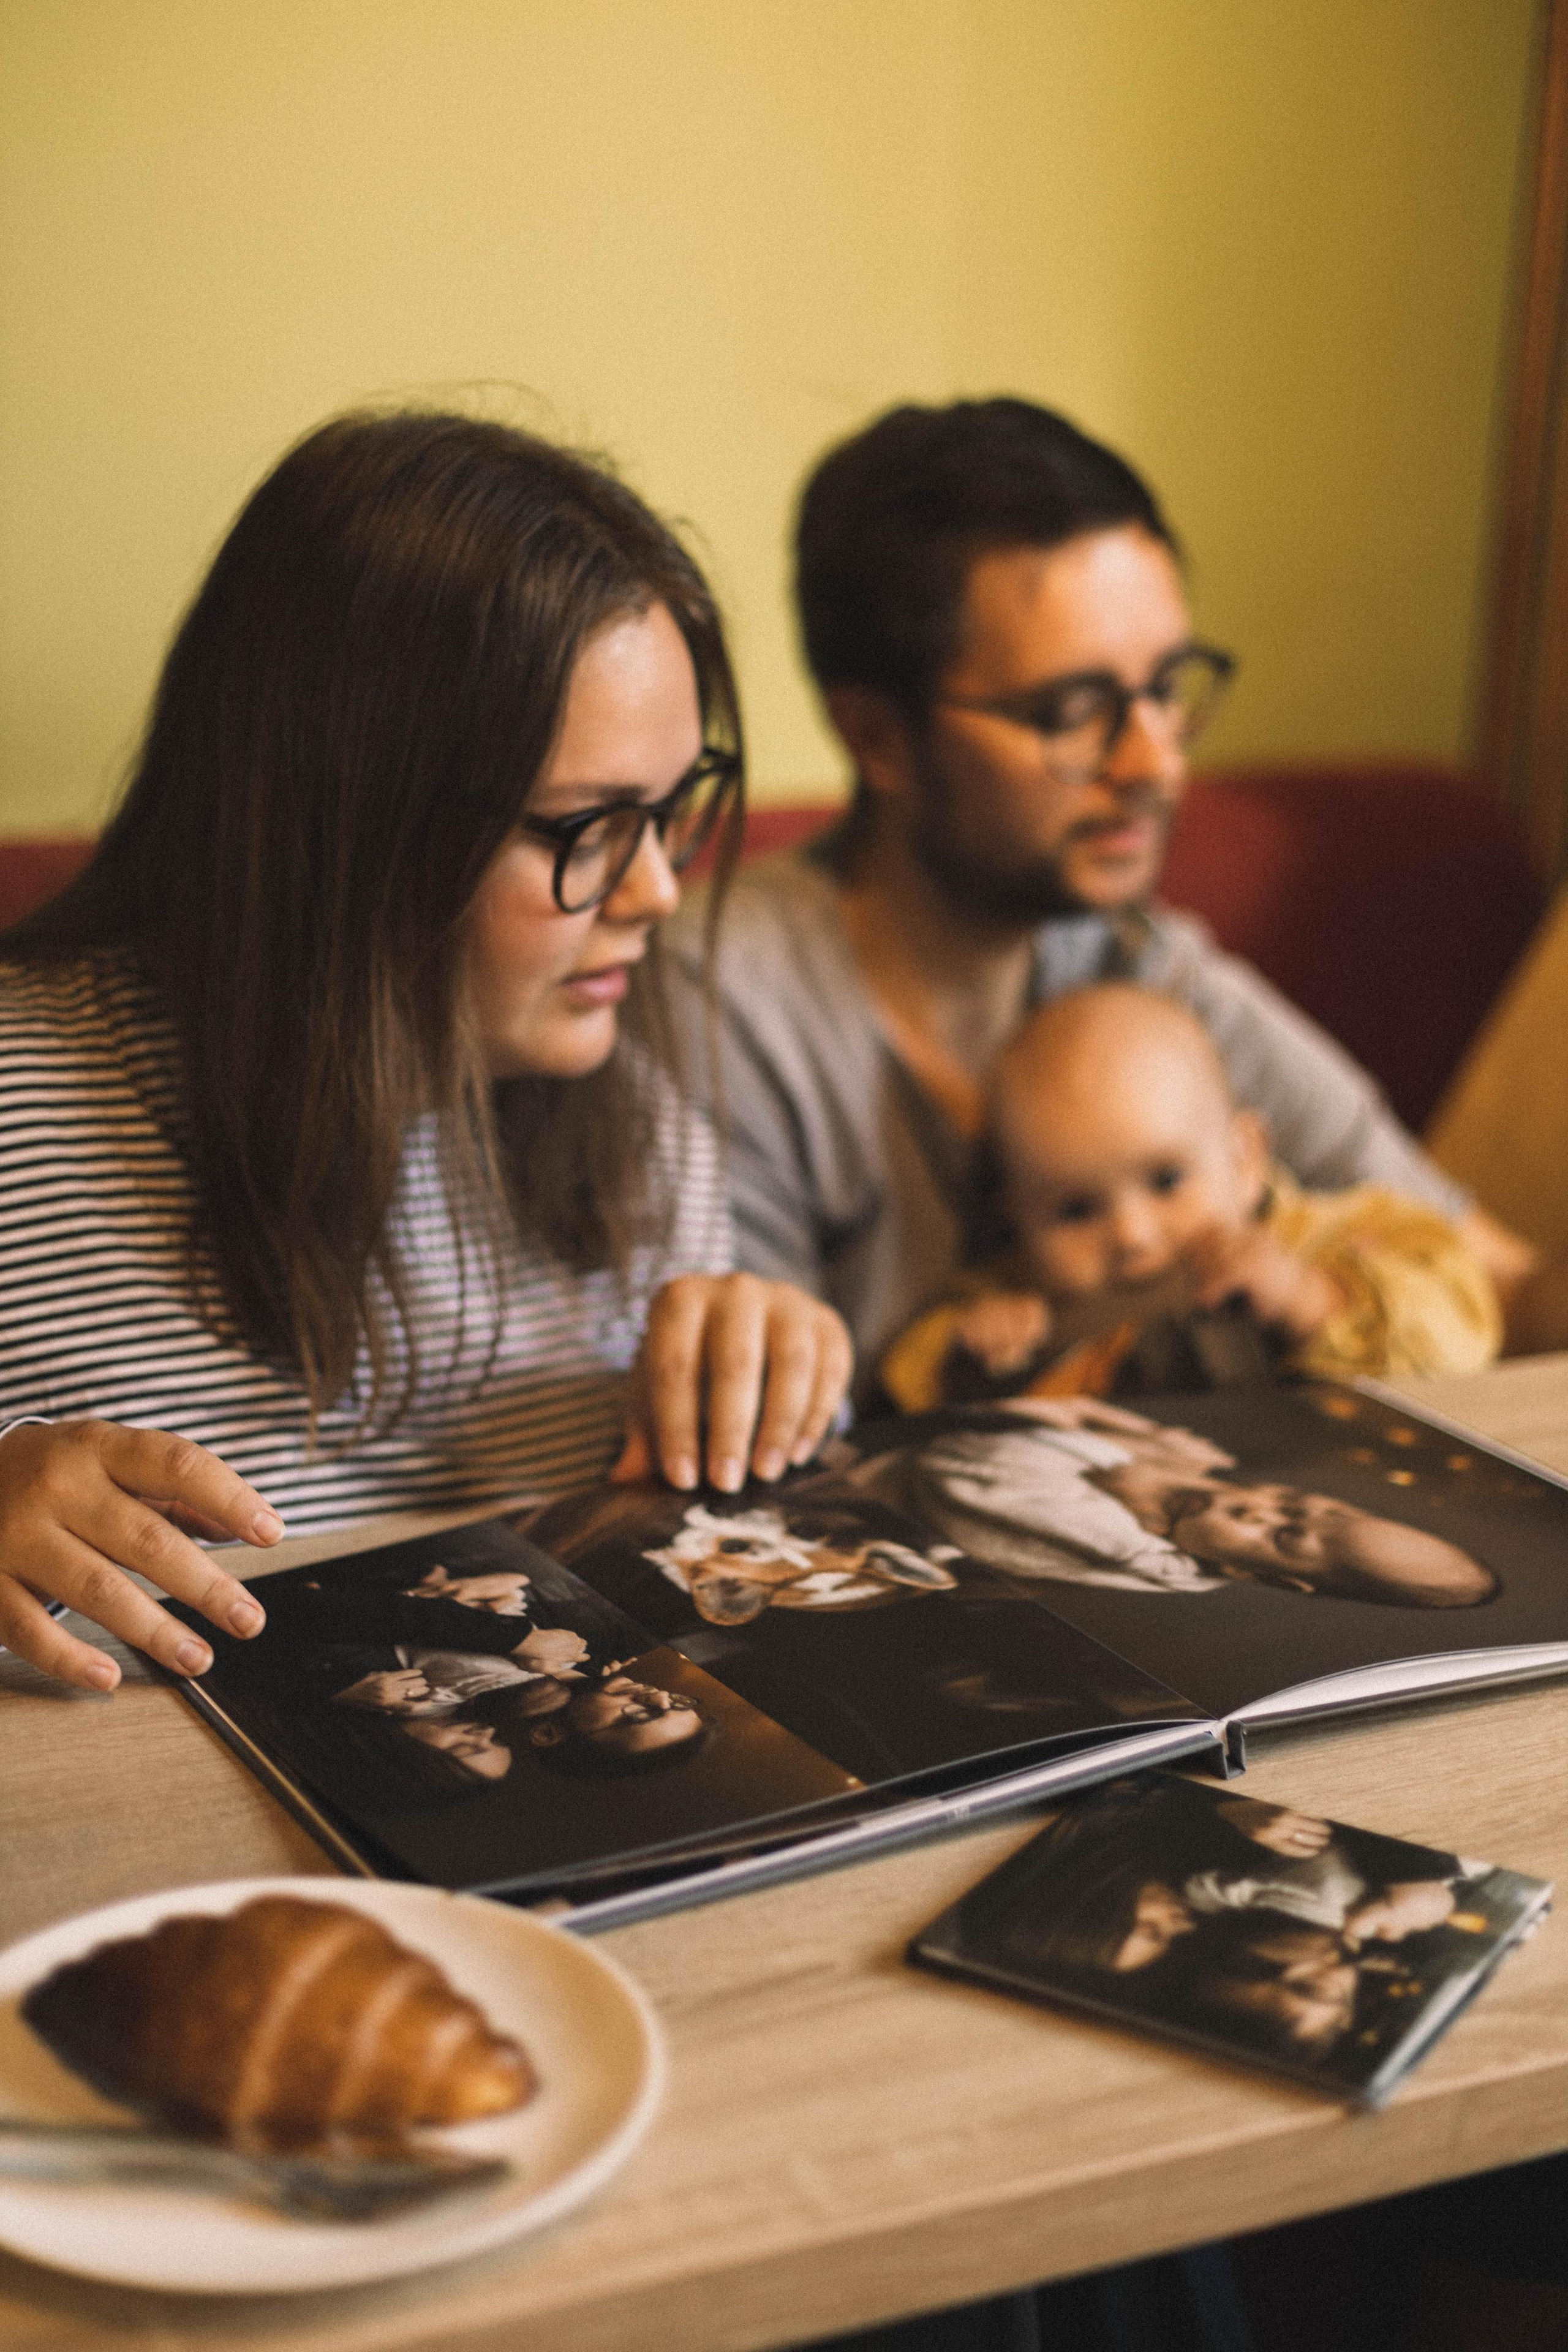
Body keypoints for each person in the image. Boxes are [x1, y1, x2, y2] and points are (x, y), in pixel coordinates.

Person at [0, 410, 852, 1696]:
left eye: (671, 812)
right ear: (341, 825)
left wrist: (779, 1392)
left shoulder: (633, 1117)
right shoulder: (28, 1101)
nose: (659, 890)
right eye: (585, 826)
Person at [668, 397, 1544, 1384]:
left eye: (1168, 686)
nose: (1155, 762)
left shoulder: (1139, 962)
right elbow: (733, 1446)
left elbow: (1499, 1280)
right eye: (1074, 713)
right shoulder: (720, 1006)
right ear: (878, 737)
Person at [879, 984, 1502, 1410]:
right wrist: (966, 1355)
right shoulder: (1026, 1295)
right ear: (1013, 1218)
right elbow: (905, 1384)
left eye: (1166, 1181)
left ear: (1244, 1158)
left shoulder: (1325, 1238)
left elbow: (1464, 1331)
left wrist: (1313, 1301)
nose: (1132, 1235)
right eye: (1074, 1210)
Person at [845, 1400, 1498, 1605]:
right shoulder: (1199, 1481)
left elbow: (959, 1470)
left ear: (1259, 1576)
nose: (1255, 1510)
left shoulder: (1133, 1550)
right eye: (1292, 1503)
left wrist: (1119, 1448)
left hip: (853, 1492)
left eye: (1279, 1538)